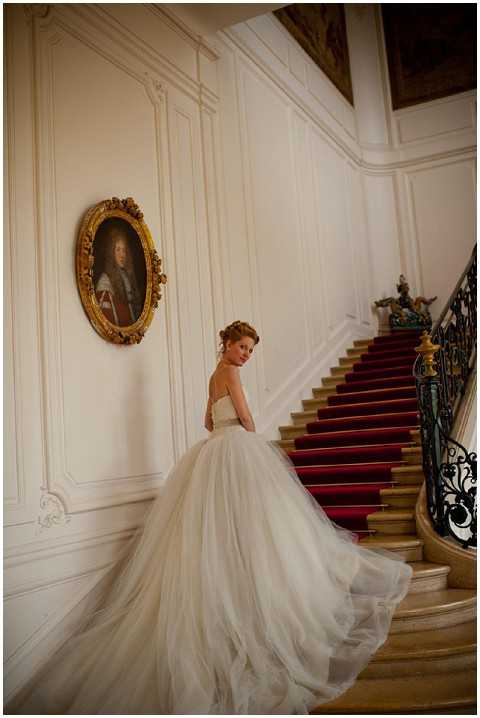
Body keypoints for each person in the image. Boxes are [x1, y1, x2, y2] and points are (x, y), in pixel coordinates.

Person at [13, 320, 413, 715]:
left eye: (251, 350)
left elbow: (208, 422)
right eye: (243, 347)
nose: (246, 355)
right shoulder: (232, 374)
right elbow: (247, 417)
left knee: (222, 531)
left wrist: (226, 422)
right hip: (236, 448)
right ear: (226, 343)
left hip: (212, 450)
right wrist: (249, 429)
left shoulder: (213, 375)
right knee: (256, 526)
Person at [95, 228, 143, 326]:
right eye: (118, 250)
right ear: (111, 253)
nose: (122, 255)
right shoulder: (105, 281)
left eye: (124, 250)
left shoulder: (128, 278)